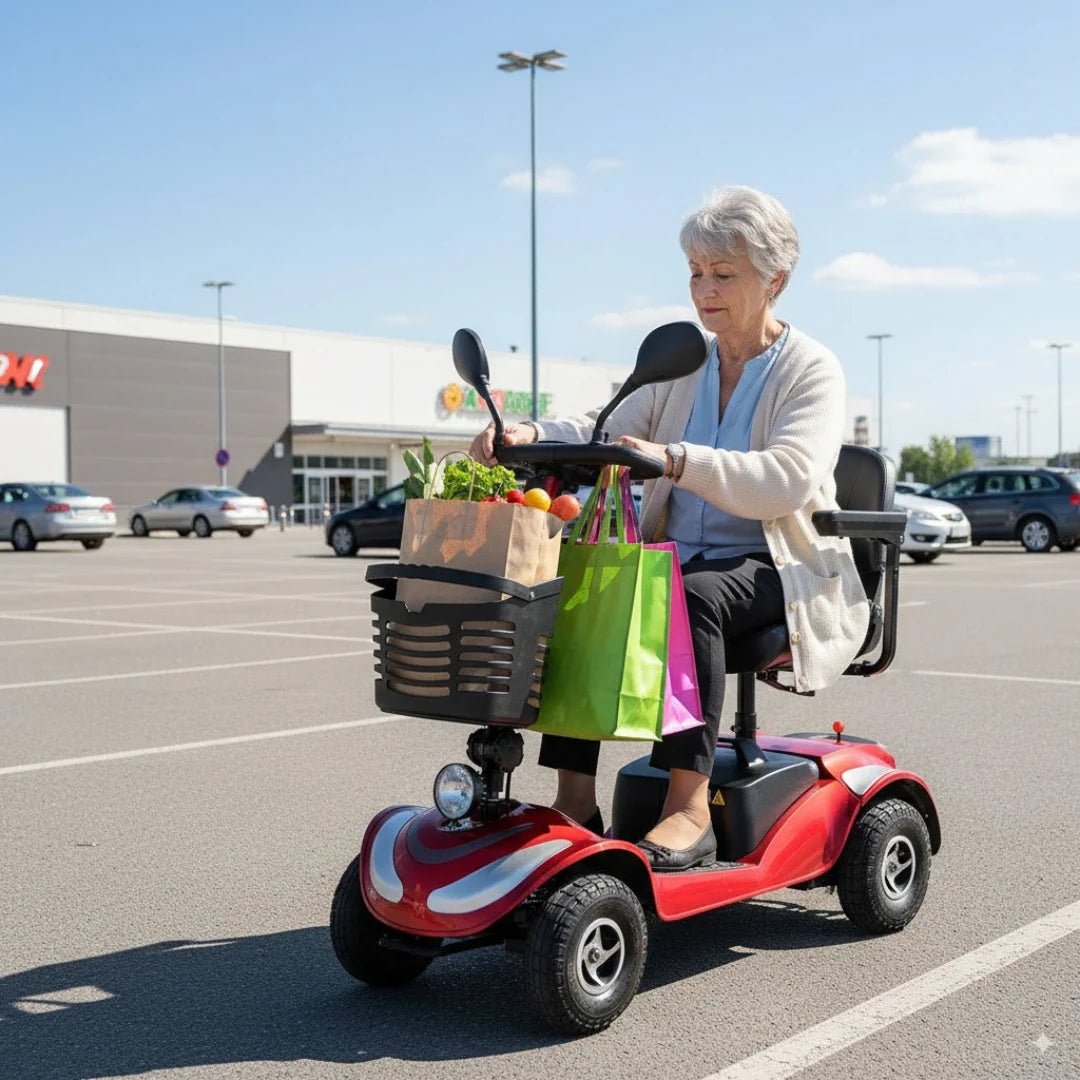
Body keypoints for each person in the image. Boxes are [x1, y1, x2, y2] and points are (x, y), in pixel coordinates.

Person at [469, 186, 869, 871]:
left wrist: (677, 459)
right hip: (680, 559)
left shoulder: (811, 369)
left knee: (688, 595)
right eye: (694, 273)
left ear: (776, 279)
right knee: (582, 587)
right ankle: (574, 800)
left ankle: (688, 805)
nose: (703, 291)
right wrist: (529, 432)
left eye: (723, 274)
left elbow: (788, 478)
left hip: (776, 566)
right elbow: (606, 427)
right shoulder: (685, 364)